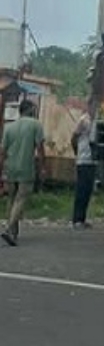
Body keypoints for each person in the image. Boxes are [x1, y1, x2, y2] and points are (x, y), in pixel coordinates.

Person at [0, 99, 46, 247]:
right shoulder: (36, 125)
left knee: (11, 199)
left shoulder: (9, 127)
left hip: (10, 167)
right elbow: (40, 149)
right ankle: (8, 229)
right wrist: (42, 168)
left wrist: (1, 169)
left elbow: (2, 152)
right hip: (26, 167)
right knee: (21, 199)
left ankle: (13, 232)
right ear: (31, 110)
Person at [70, 110, 96, 229]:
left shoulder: (96, 120)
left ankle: (82, 218)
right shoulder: (84, 120)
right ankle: (77, 219)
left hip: (93, 160)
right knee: (81, 190)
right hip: (83, 159)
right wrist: (77, 152)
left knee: (87, 191)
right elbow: (74, 137)